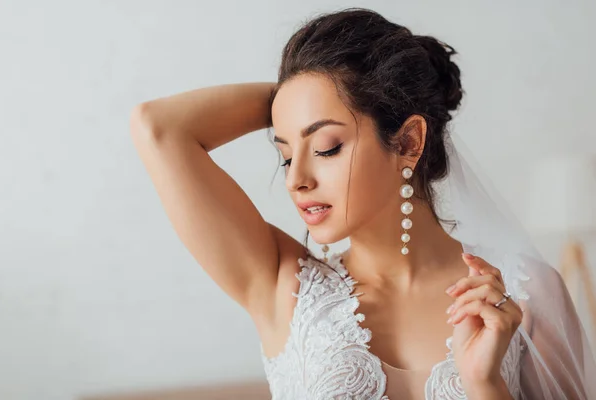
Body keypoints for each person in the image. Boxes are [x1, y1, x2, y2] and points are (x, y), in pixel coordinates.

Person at [129, 7, 596, 400]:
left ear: (409, 141)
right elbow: (159, 128)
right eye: (286, 154)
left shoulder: (524, 292)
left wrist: (485, 384)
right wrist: (300, 98)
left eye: (327, 147)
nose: (296, 179)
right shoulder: (280, 285)